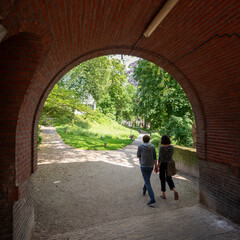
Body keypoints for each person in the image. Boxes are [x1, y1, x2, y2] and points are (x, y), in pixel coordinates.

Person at [137, 135, 158, 206]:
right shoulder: (152, 147)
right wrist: (156, 167)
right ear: (149, 140)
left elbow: (138, 155)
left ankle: (152, 199)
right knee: (147, 179)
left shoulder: (140, 147)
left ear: (143, 140)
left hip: (143, 166)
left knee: (147, 181)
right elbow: (155, 158)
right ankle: (144, 190)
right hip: (150, 166)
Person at [157, 134, 179, 200]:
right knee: (169, 177)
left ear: (162, 140)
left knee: (162, 178)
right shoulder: (172, 147)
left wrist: (157, 166)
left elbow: (160, 158)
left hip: (163, 164)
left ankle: (163, 194)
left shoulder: (161, 148)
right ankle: (174, 190)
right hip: (169, 163)